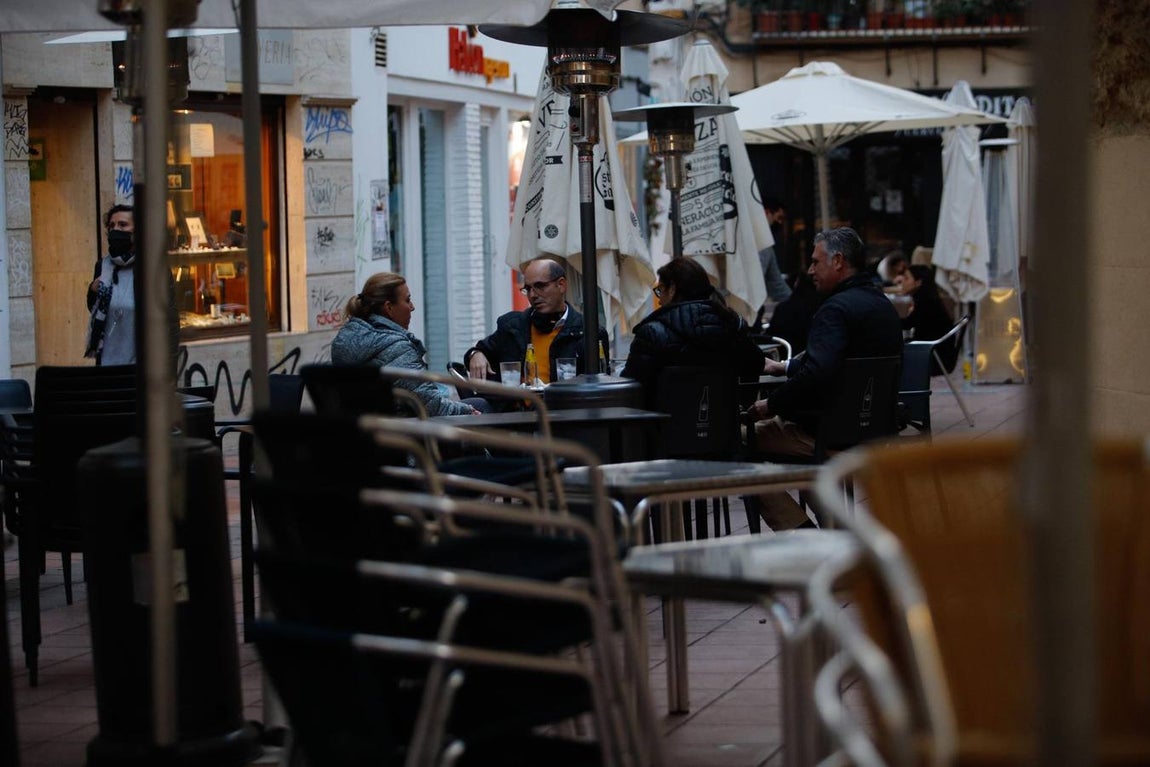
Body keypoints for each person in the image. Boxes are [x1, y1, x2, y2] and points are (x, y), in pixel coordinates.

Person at [746, 227, 903, 530]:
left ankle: (799, 532)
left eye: (816, 262)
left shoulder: (834, 310)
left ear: (839, 261)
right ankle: (839, 528)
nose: (810, 270)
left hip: (827, 435)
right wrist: (787, 367)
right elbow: (842, 361)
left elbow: (818, 373)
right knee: (796, 454)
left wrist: (770, 405)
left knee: (737, 445)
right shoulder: (882, 305)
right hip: (872, 430)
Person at [331, 272, 482, 416]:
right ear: (389, 307)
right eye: (407, 300)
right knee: (482, 407)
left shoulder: (344, 341)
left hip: (358, 433)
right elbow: (432, 407)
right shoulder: (395, 347)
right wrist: (468, 411)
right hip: (403, 435)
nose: (412, 307)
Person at [622, 257, 765, 404]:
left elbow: (630, 389)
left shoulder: (651, 334)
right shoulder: (732, 326)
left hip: (664, 424)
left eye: (660, 290)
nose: (659, 300)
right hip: (725, 423)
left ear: (672, 289)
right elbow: (756, 365)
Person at [465, 257, 608, 387]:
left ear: (561, 285)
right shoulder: (512, 325)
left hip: (564, 410)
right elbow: (478, 351)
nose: (533, 295)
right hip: (515, 412)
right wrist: (476, 354)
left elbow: (599, 383)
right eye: (528, 289)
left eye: (540, 286)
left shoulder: (589, 332)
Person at [85, 204, 138, 365]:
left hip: (141, 367)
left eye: (123, 225)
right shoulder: (103, 266)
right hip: (107, 361)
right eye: (112, 226)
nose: (116, 230)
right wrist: (93, 289)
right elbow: (93, 307)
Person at [898, 264, 959, 374]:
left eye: (907, 278)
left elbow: (907, 324)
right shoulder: (928, 299)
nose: (903, 282)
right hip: (935, 353)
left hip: (934, 357)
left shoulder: (925, 302)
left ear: (918, 282)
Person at [753, 199, 792, 328]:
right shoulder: (761, 243)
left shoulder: (767, 246)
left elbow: (776, 284)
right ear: (767, 212)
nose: (779, 223)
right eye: (779, 217)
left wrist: (794, 302)